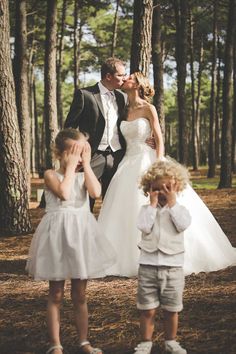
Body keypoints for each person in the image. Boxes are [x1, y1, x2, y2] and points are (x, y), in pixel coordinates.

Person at [98, 71, 236, 277]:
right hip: (128, 161)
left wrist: (159, 164)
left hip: (148, 158)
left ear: (137, 85)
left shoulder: (148, 108)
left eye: (129, 78)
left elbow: (159, 138)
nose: (125, 79)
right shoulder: (122, 108)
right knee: (124, 206)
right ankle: (124, 256)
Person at [26, 128, 115, 354]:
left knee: (80, 294)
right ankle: (55, 344)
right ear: (61, 153)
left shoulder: (84, 175)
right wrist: (69, 168)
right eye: (74, 152)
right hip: (57, 237)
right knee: (56, 293)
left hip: (80, 236)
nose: (78, 157)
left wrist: (85, 165)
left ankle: (84, 341)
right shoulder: (50, 175)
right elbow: (65, 194)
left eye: (83, 151)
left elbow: (95, 192)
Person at [133, 159, 191, 354]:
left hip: (173, 267)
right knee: (147, 308)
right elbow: (143, 226)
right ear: (149, 189)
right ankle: (145, 341)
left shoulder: (180, 210)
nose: (163, 194)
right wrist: (151, 205)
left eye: (168, 189)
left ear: (176, 188)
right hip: (148, 266)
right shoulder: (145, 210)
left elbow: (183, 225)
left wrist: (173, 203)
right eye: (157, 190)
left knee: (171, 308)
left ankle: (171, 341)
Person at [64, 57, 127, 210]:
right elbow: (70, 127)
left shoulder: (122, 97)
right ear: (108, 76)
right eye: (121, 75)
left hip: (117, 155)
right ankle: (84, 231)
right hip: (92, 155)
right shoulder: (84, 94)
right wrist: (76, 153)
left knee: (114, 201)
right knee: (85, 199)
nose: (124, 78)